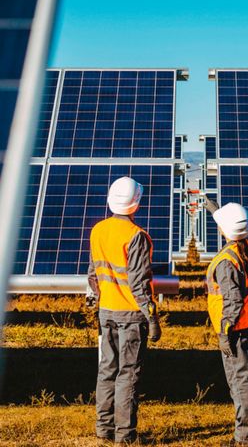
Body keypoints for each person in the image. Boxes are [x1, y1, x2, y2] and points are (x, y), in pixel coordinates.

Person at [87, 176, 161, 445]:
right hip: (130, 315)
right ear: (136, 204)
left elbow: (93, 273)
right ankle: (125, 435)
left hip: (106, 311)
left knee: (106, 370)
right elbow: (139, 283)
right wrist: (152, 317)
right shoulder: (136, 236)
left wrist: (99, 298)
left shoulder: (98, 230)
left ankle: (103, 428)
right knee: (127, 375)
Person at [204, 197, 248, 447]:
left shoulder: (226, 262)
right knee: (247, 379)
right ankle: (245, 434)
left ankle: (245, 439)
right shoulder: (246, 247)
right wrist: (216, 210)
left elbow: (233, 300)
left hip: (235, 329)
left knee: (240, 383)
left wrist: (224, 332)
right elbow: (233, 228)